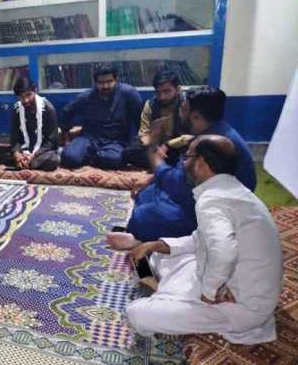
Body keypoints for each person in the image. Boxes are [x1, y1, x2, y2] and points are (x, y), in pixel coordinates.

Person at [123, 135, 282, 344]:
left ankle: (165, 294)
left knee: (136, 313)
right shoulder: (231, 191)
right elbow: (201, 240)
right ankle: (166, 291)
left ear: (200, 163)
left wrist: (209, 292)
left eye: (187, 157)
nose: (183, 164)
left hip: (238, 304)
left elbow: (224, 252)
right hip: (227, 278)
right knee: (159, 257)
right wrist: (156, 245)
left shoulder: (212, 200)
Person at [109, 86, 256, 247]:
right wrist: (153, 177)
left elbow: (178, 183)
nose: (180, 113)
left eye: (183, 109)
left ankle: (145, 240)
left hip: (215, 211)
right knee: (146, 193)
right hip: (197, 193)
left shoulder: (213, 142)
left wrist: (153, 147)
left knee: (142, 217)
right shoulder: (214, 130)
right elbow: (183, 169)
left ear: (195, 115)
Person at [60, 62, 143, 170]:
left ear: (116, 79)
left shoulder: (129, 93)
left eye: (109, 81)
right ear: (95, 82)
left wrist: (135, 143)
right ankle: (95, 157)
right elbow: (66, 112)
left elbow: (141, 120)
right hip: (89, 139)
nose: (105, 86)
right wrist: (66, 139)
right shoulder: (87, 96)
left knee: (113, 159)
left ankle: (94, 157)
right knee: (69, 157)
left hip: (116, 141)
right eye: (101, 83)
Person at [123, 69, 188, 168]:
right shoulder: (151, 105)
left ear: (178, 89)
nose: (162, 97)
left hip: (178, 145)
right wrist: (155, 147)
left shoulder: (186, 104)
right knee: (129, 152)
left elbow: (191, 136)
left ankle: (163, 163)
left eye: (167, 91)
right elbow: (143, 134)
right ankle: (164, 163)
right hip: (157, 144)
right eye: (158, 92)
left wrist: (168, 144)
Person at [9, 78, 60, 171]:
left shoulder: (48, 109)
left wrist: (33, 155)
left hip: (41, 151)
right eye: (22, 97)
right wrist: (16, 153)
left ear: (35, 91)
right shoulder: (16, 109)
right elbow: (14, 137)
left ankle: (23, 163)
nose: (26, 100)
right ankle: (24, 162)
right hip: (23, 149)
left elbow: (52, 142)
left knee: (53, 160)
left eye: (29, 95)